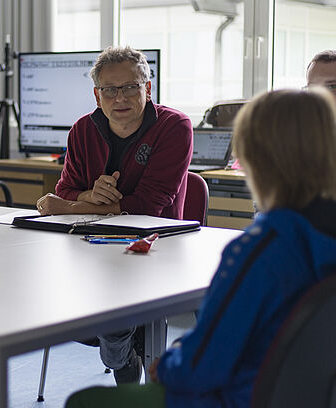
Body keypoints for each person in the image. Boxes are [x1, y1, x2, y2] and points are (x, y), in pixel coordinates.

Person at [65, 88, 336, 408]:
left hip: (238, 397)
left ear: (253, 160)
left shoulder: (259, 252)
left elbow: (203, 363)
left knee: (87, 401)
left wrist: (166, 367)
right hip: (308, 396)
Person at [37, 46, 193, 385]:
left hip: (153, 247)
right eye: (109, 89)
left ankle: (122, 360)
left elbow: (150, 206)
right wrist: (87, 196)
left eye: (130, 87)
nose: (119, 97)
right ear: (97, 95)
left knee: (112, 303)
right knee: (48, 291)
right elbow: (66, 189)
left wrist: (72, 206)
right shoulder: (81, 130)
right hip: (88, 248)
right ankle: (120, 349)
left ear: (147, 88)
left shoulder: (174, 126)